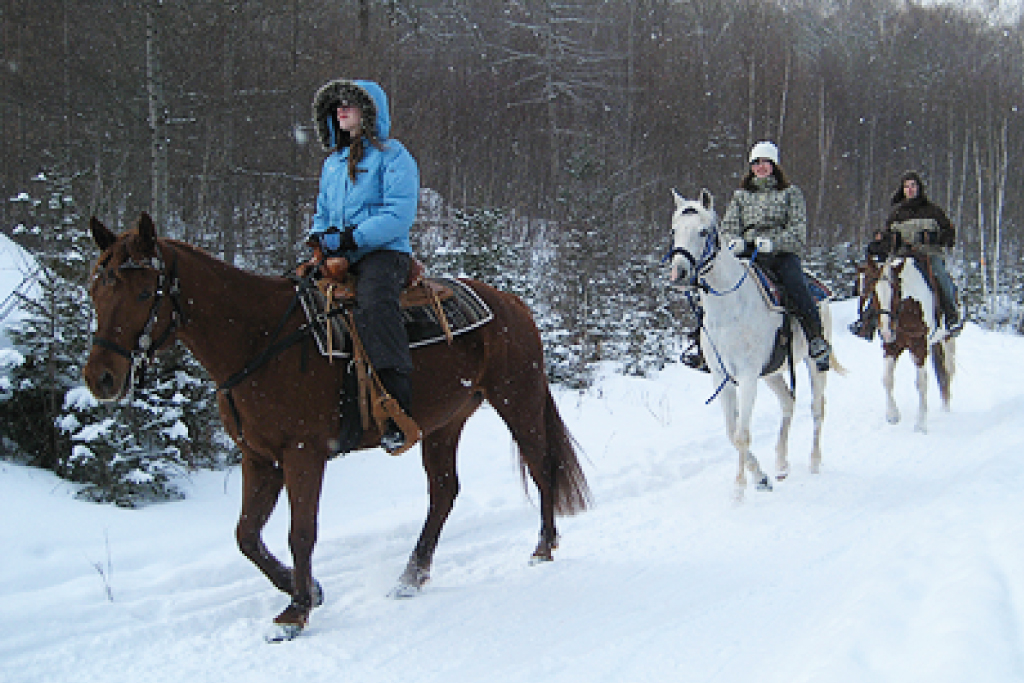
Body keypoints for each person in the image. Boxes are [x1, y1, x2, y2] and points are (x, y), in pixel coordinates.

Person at [308, 78, 419, 453]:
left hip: (383, 251)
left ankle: (397, 408)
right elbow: (322, 211)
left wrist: (351, 238)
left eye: (350, 104)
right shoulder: (332, 163)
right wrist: (319, 238)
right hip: (338, 252)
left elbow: (399, 214)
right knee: (298, 299)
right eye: (336, 105)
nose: (341, 110)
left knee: (373, 305)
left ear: (369, 113)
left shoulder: (393, 156)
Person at [720, 140, 831, 372]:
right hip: (749, 254)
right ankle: (706, 344)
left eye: (765, 162)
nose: (761, 167)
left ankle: (815, 339)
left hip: (781, 254)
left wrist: (774, 243)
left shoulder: (790, 194)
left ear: (774, 165)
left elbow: (798, 230)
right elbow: (729, 225)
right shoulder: (741, 196)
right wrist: (735, 241)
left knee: (796, 284)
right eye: (756, 163)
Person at [861, 171, 960, 335]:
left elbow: (950, 235)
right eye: (906, 186)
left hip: (928, 255)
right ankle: (869, 320)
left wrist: (933, 237)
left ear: (919, 187)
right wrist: (879, 245)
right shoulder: (896, 214)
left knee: (940, 274)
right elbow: (887, 240)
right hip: (902, 257)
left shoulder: (933, 211)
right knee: (882, 278)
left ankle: (951, 315)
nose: (910, 189)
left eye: (913, 185)